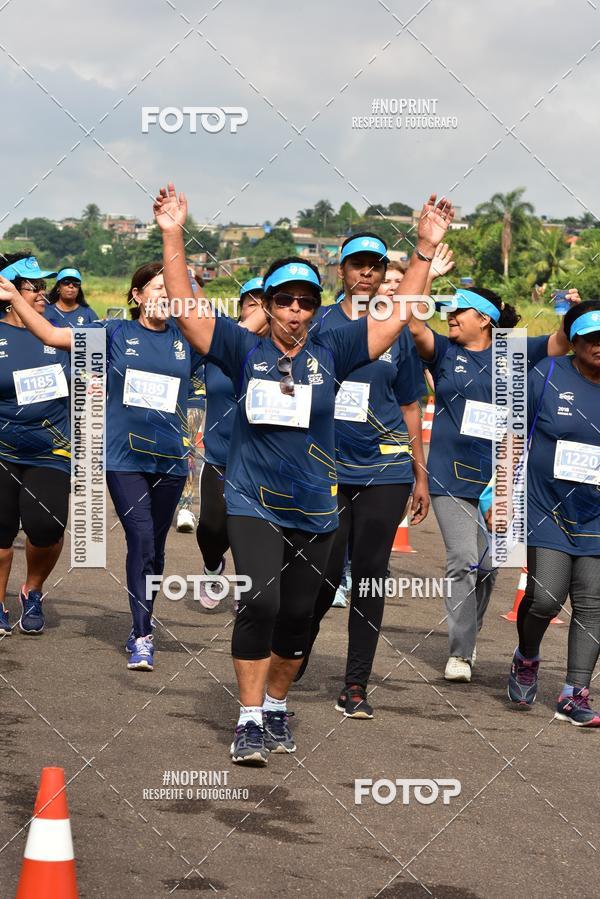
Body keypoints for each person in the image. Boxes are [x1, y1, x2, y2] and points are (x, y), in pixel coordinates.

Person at [156, 180, 454, 763]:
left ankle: (274, 703)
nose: (295, 311)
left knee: (298, 615)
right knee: (260, 603)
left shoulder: (334, 350)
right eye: (285, 301)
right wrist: (172, 234)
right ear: (267, 305)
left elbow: (395, 317)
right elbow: (188, 311)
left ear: (316, 309)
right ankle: (247, 719)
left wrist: (422, 249)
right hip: (252, 499)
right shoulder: (243, 351)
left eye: (305, 302)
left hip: (316, 503)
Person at [1, 261, 202, 672]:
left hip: (169, 461)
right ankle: (143, 635)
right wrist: (18, 299)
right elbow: (52, 333)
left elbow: (249, 329)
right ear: (137, 296)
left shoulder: (189, 339)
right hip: (123, 458)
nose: (165, 294)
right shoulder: (112, 333)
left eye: (172, 289)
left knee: (156, 552)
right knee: (141, 538)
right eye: (157, 287)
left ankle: (140, 619)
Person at [408, 284, 580, 683]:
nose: (450, 316)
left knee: (487, 567)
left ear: (484, 318)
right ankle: (460, 653)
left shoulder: (515, 350)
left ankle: (468, 633)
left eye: (459, 311)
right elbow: (413, 324)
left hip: (502, 480)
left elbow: (561, 340)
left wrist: (572, 312)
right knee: (464, 559)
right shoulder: (445, 351)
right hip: (450, 478)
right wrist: (426, 270)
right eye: (448, 311)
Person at [295, 232, 430, 718]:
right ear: (341, 271)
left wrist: (420, 476)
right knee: (324, 574)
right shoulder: (318, 322)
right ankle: (295, 654)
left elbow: (412, 403)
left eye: (375, 265)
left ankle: (356, 684)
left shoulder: (395, 330)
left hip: (386, 468)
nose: (366, 273)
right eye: (357, 265)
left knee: (371, 576)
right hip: (326, 467)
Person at [507, 300, 600, 725]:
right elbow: (510, 435)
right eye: (590, 337)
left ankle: (574, 693)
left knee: (592, 603)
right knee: (545, 598)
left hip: (597, 515)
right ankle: (527, 656)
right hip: (546, 506)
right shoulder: (545, 375)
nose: (598, 345)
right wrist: (502, 498)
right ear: (574, 339)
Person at [0, 253, 69, 636]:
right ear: (8, 292)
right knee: (1, 528)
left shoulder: (59, 331)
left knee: (46, 526)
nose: (44, 293)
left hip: (51, 449)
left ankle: (32, 589)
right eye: (34, 286)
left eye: (45, 286)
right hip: (3, 449)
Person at [195, 276, 267, 609]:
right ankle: (213, 566)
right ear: (240, 308)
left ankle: (246, 588)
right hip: (221, 457)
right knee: (211, 526)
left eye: (264, 303)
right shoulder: (220, 347)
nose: (259, 310)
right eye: (251, 303)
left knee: (250, 532)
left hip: (263, 465)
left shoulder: (282, 354)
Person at [176, 270, 207, 533]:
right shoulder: (160, 317)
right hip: (159, 398)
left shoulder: (203, 321)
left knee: (188, 449)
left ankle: (186, 506)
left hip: (192, 396)